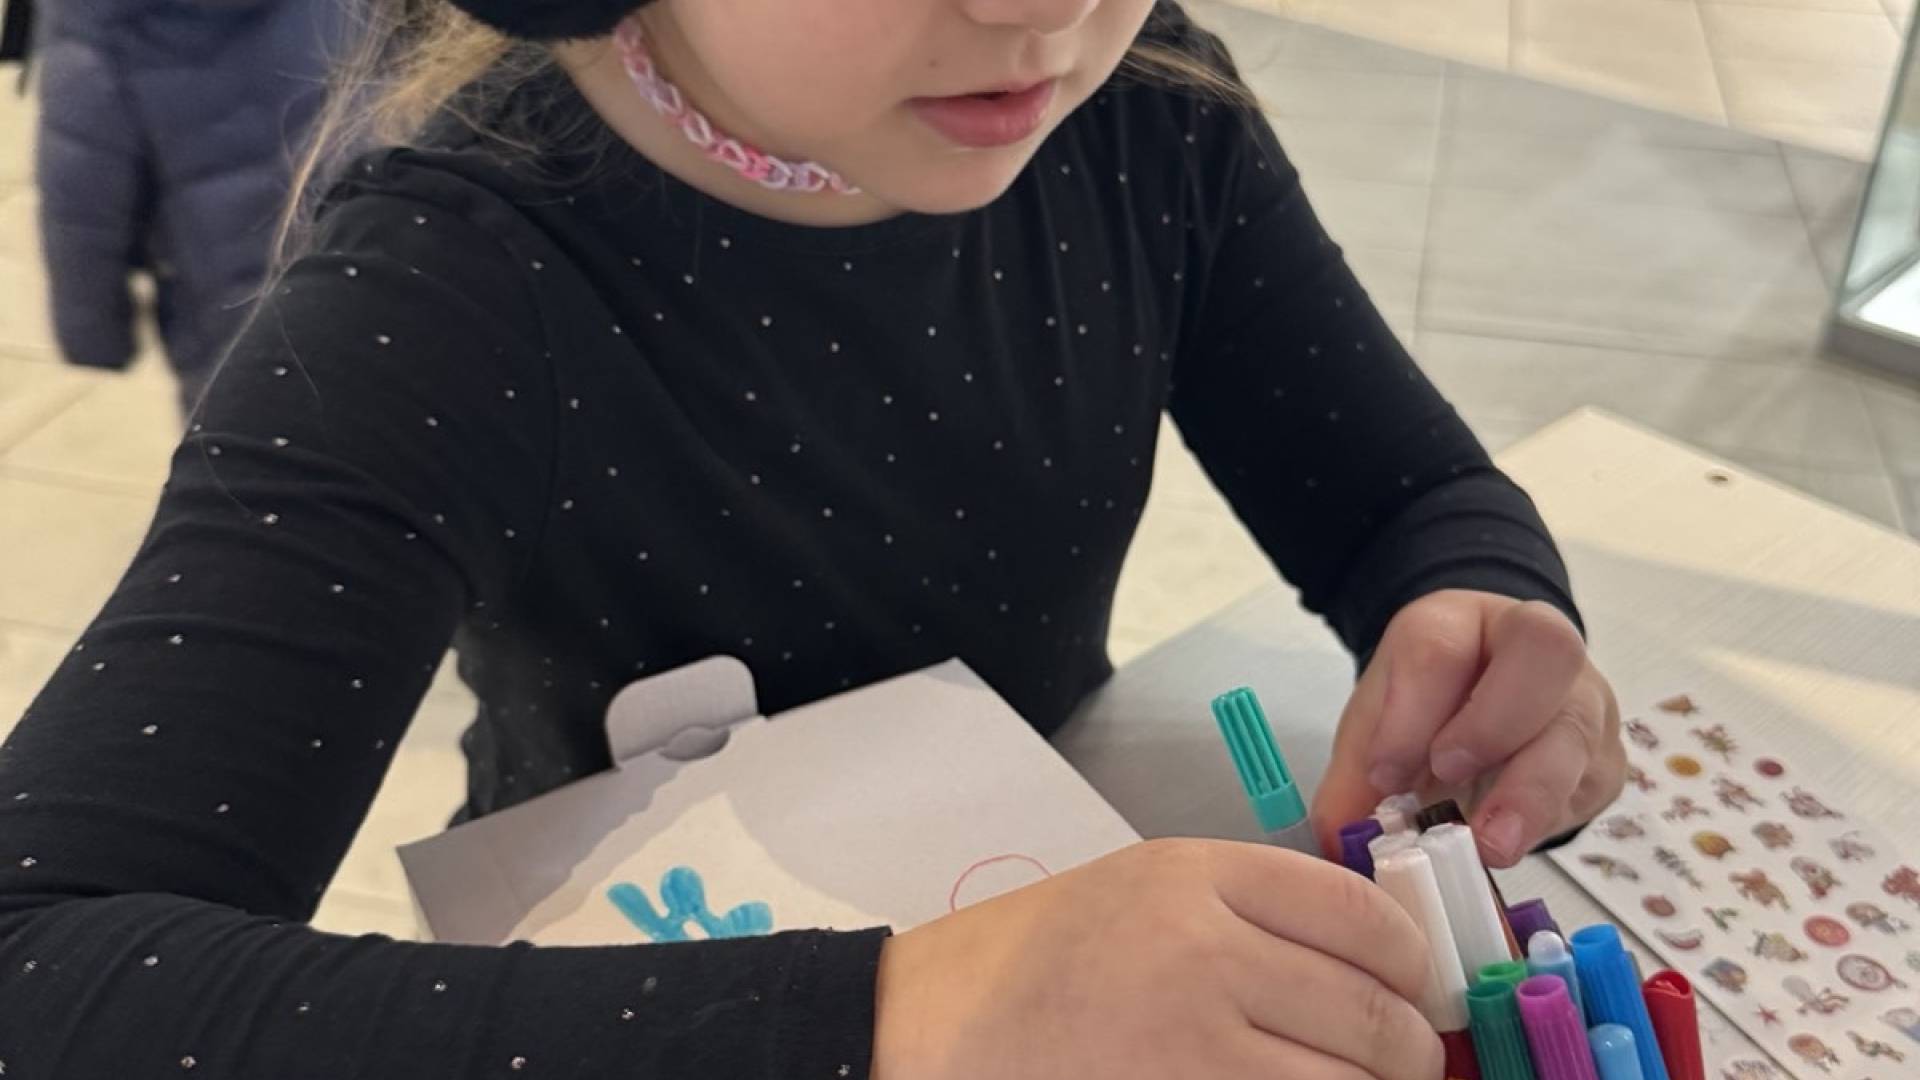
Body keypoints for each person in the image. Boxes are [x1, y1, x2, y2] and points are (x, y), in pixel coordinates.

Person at [0, 0, 1627, 1074]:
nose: (1042, 13)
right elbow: (42, 966)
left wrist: (1473, 593)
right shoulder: (443, 292)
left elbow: (1399, 495)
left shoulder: (1148, 112)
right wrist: (902, 1010)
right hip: (633, 978)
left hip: (1051, 881)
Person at [28, 0, 343, 417]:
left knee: (245, 426)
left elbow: (81, 184)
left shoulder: (95, 15)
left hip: (220, 300)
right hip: (354, 246)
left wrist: (93, 330)